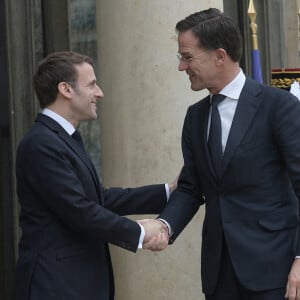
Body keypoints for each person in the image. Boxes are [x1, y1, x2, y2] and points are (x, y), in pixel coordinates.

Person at [143, 8, 300, 300]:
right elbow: (191, 188)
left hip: (276, 273)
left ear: (219, 55)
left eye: (187, 57)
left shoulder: (278, 106)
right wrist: (165, 225)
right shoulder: (195, 117)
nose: (181, 67)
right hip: (219, 276)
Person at [14, 51, 175, 300]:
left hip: (74, 284)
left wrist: (166, 192)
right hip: (55, 286)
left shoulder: (63, 139)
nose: (99, 93)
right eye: (91, 85)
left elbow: (98, 199)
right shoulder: (41, 144)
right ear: (66, 89)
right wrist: (140, 233)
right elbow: (79, 211)